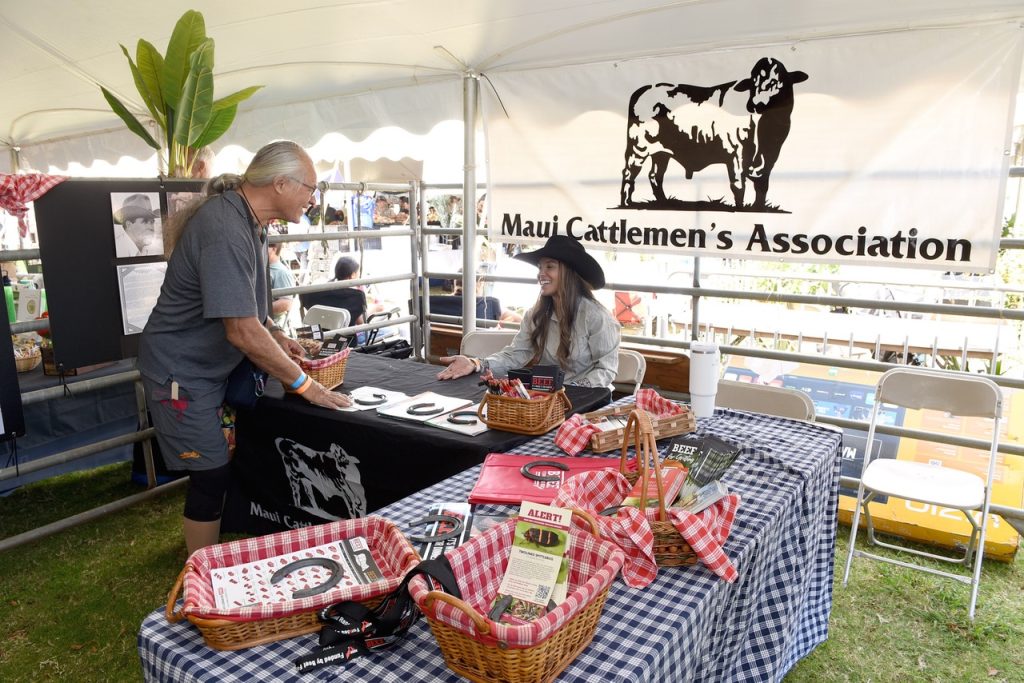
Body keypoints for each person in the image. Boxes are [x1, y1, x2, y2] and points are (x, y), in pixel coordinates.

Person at [138, 140, 352, 554]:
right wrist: (306, 386)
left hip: (204, 368)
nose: (313, 198)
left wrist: (276, 334)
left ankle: (209, 557)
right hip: (180, 370)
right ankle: (201, 574)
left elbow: (249, 311)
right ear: (280, 184)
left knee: (216, 466)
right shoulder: (224, 228)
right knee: (211, 472)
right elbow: (239, 329)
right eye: (310, 187)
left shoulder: (249, 222)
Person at [436, 235, 619, 387]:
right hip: (550, 399)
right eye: (540, 267)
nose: (541, 273)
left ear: (569, 273)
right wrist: (476, 363)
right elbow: (517, 354)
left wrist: (571, 390)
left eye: (550, 266)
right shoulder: (536, 314)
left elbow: (606, 370)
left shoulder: (596, 317)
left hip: (589, 401)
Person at [267, 242, 295, 329]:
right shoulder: (263, 268)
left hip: (273, 324)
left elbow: (286, 303)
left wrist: (260, 309)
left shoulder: (281, 272)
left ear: (274, 249)